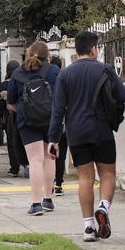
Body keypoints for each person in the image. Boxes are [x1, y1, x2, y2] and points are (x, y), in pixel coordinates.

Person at [49, 32, 125, 242]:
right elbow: (122, 96)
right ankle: (104, 207)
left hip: (77, 133)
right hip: (102, 130)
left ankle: (88, 227)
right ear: (94, 49)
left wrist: (53, 139)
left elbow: (58, 110)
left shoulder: (65, 75)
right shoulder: (106, 70)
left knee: (85, 178)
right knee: (107, 174)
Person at [7, 41, 60, 216]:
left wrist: (25, 111)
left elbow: (11, 102)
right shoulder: (53, 71)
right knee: (49, 158)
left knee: (35, 161)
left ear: (28, 54)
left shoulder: (17, 73)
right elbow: (61, 97)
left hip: (28, 123)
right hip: (50, 120)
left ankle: (35, 204)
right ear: (48, 56)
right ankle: (48, 199)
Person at [0, 60, 29, 177]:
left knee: (12, 143)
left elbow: (1, 105)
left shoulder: (4, 85)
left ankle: (14, 168)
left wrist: (1, 118)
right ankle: (27, 166)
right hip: (25, 115)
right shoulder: (24, 80)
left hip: (10, 117)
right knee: (25, 142)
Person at [49, 55, 68, 196]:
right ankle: (59, 185)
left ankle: (48, 183)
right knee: (61, 155)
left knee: (49, 155)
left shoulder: (45, 75)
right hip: (63, 121)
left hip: (47, 120)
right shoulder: (64, 76)